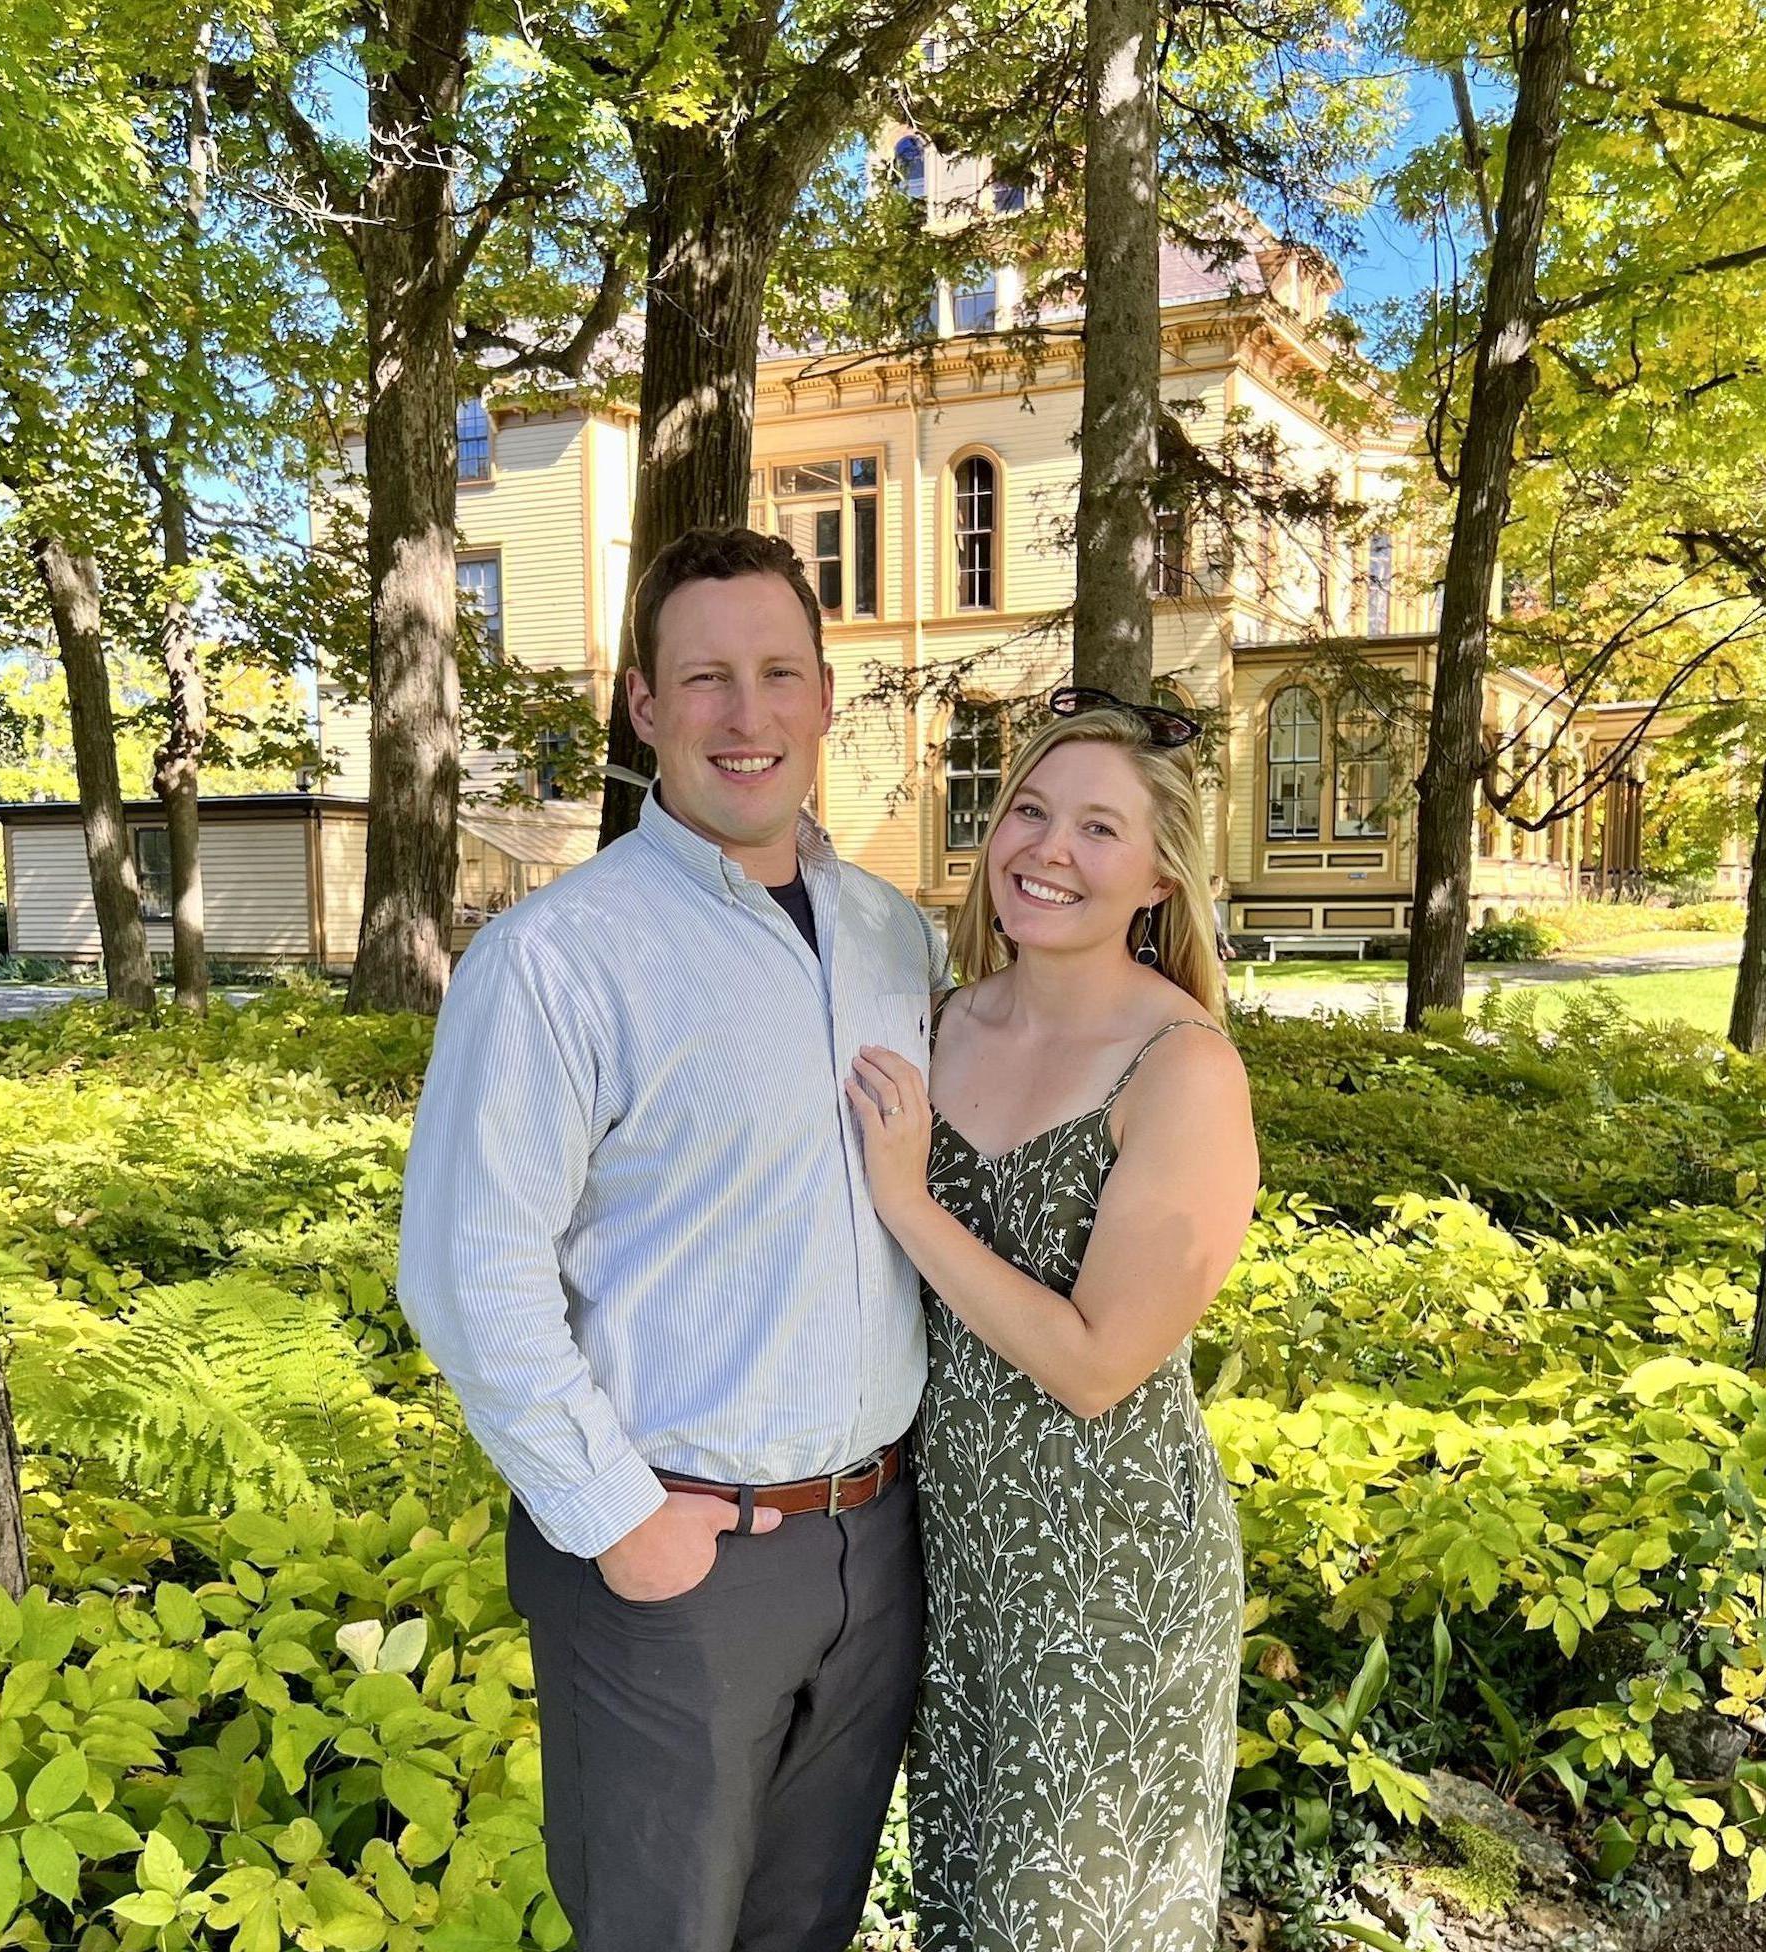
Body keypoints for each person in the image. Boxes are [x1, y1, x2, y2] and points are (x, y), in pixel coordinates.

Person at [397, 526, 946, 1952]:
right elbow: (467, 1273)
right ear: (643, 705)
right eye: (704, 678)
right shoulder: (557, 960)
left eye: (778, 673)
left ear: (826, 695)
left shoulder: (897, 938)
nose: (745, 714)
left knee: (806, 1927)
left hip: (876, 1542)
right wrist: (618, 1521)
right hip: (675, 1556)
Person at [847, 689, 1259, 1952]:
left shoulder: (1183, 1068)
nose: (1047, 849)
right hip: (960, 1560)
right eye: (1028, 810)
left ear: (1158, 876)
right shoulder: (939, 1021)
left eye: (1096, 828)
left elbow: (1095, 1364)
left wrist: (909, 1203)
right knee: (963, 1907)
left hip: (1109, 1581)